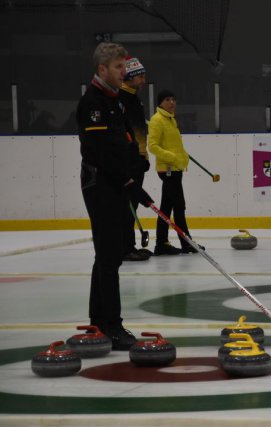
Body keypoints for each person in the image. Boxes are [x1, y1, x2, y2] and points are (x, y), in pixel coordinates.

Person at [77, 42, 154, 349]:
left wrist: (136, 167)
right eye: (119, 67)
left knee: (109, 256)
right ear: (102, 69)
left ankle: (100, 321)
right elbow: (101, 153)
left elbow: (123, 142)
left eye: (125, 67)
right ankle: (111, 325)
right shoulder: (93, 103)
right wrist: (130, 181)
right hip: (100, 184)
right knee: (109, 255)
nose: (125, 72)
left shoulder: (116, 101)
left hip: (116, 182)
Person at [148, 90, 203, 255]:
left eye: (173, 99)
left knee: (167, 207)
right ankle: (187, 243)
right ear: (160, 102)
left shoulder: (170, 119)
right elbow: (153, 146)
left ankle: (162, 243)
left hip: (176, 168)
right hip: (168, 169)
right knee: (179, 206)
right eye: (167, 99)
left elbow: (173, 144)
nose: (172, 102)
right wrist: (172, 157)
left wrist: (183, 156)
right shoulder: (157, 120)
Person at [120, 56, 152, 261]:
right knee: (127, 204)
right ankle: (124, 248)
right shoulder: (122, 99)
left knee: (133, 204)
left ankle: (128, 245)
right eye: (140, 77)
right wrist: (134, 158)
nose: (144, 80)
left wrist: (144, 155)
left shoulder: (134, 98)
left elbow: (139, 130)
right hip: (129, 160)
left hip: (138, 158)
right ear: (129, 77)